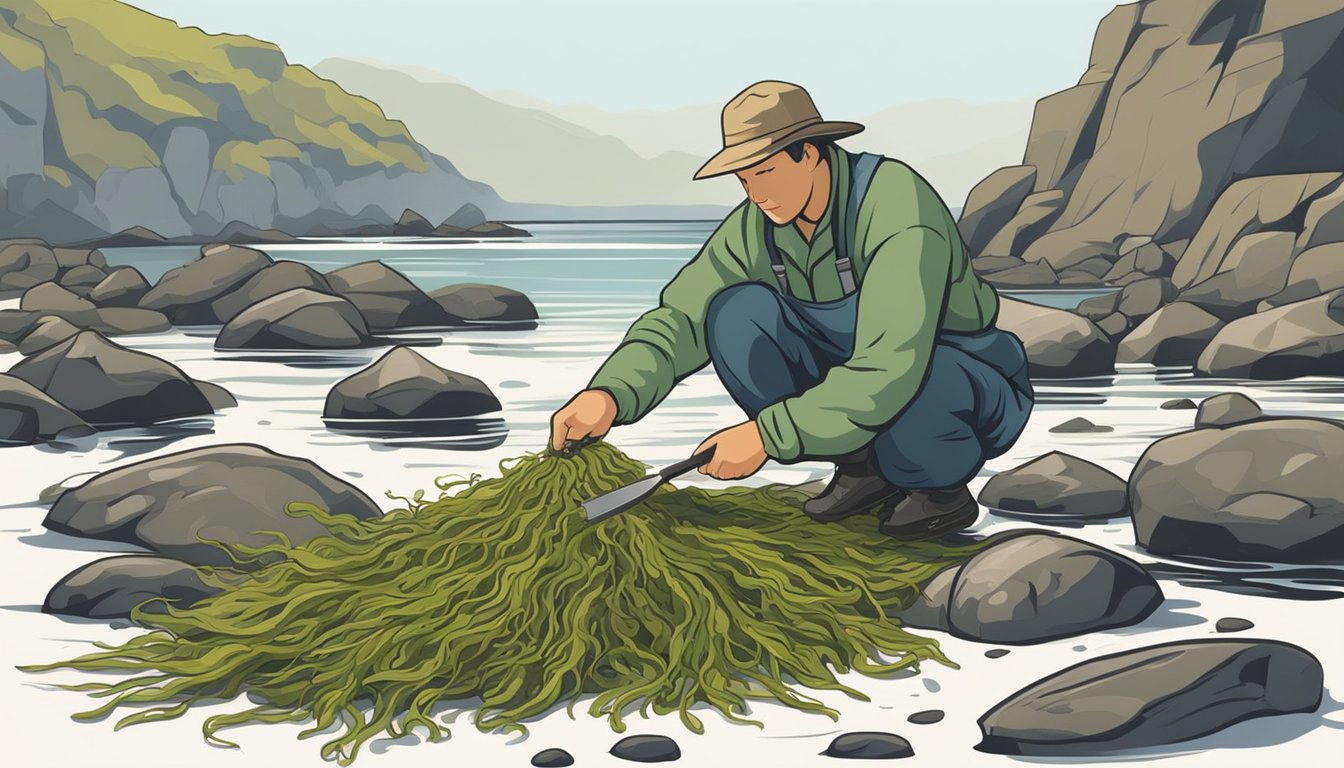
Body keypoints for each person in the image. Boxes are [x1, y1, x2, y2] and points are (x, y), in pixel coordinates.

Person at [549, 80, 1034, 539]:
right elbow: (681, 317)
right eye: (744, 179)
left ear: (810, 153)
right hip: (864, 371)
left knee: (919, 380)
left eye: (766, 172)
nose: (758, 194)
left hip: (963, 378)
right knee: (736, 314)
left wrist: (767, 436)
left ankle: (938, 490)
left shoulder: (894, 205)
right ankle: (863, 469)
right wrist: (610, 394)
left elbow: (890, 363)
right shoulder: (756, 227)